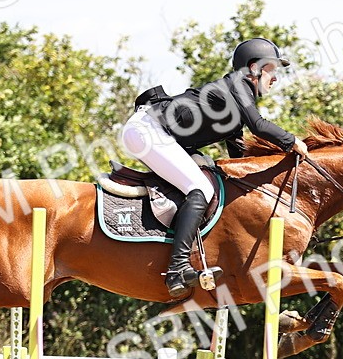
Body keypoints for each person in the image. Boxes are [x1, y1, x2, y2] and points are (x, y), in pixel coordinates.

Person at [120, 38, 310, 297]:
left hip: (152, 131)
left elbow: (239, 158)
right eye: (272, 69)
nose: (275, 78)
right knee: (199, 188)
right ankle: (177, 269)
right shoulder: (238, 84)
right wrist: (292, 142)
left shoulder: (233, 101)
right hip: (148, 130)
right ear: (253, 68)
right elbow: (258, 125)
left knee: (209, 177)